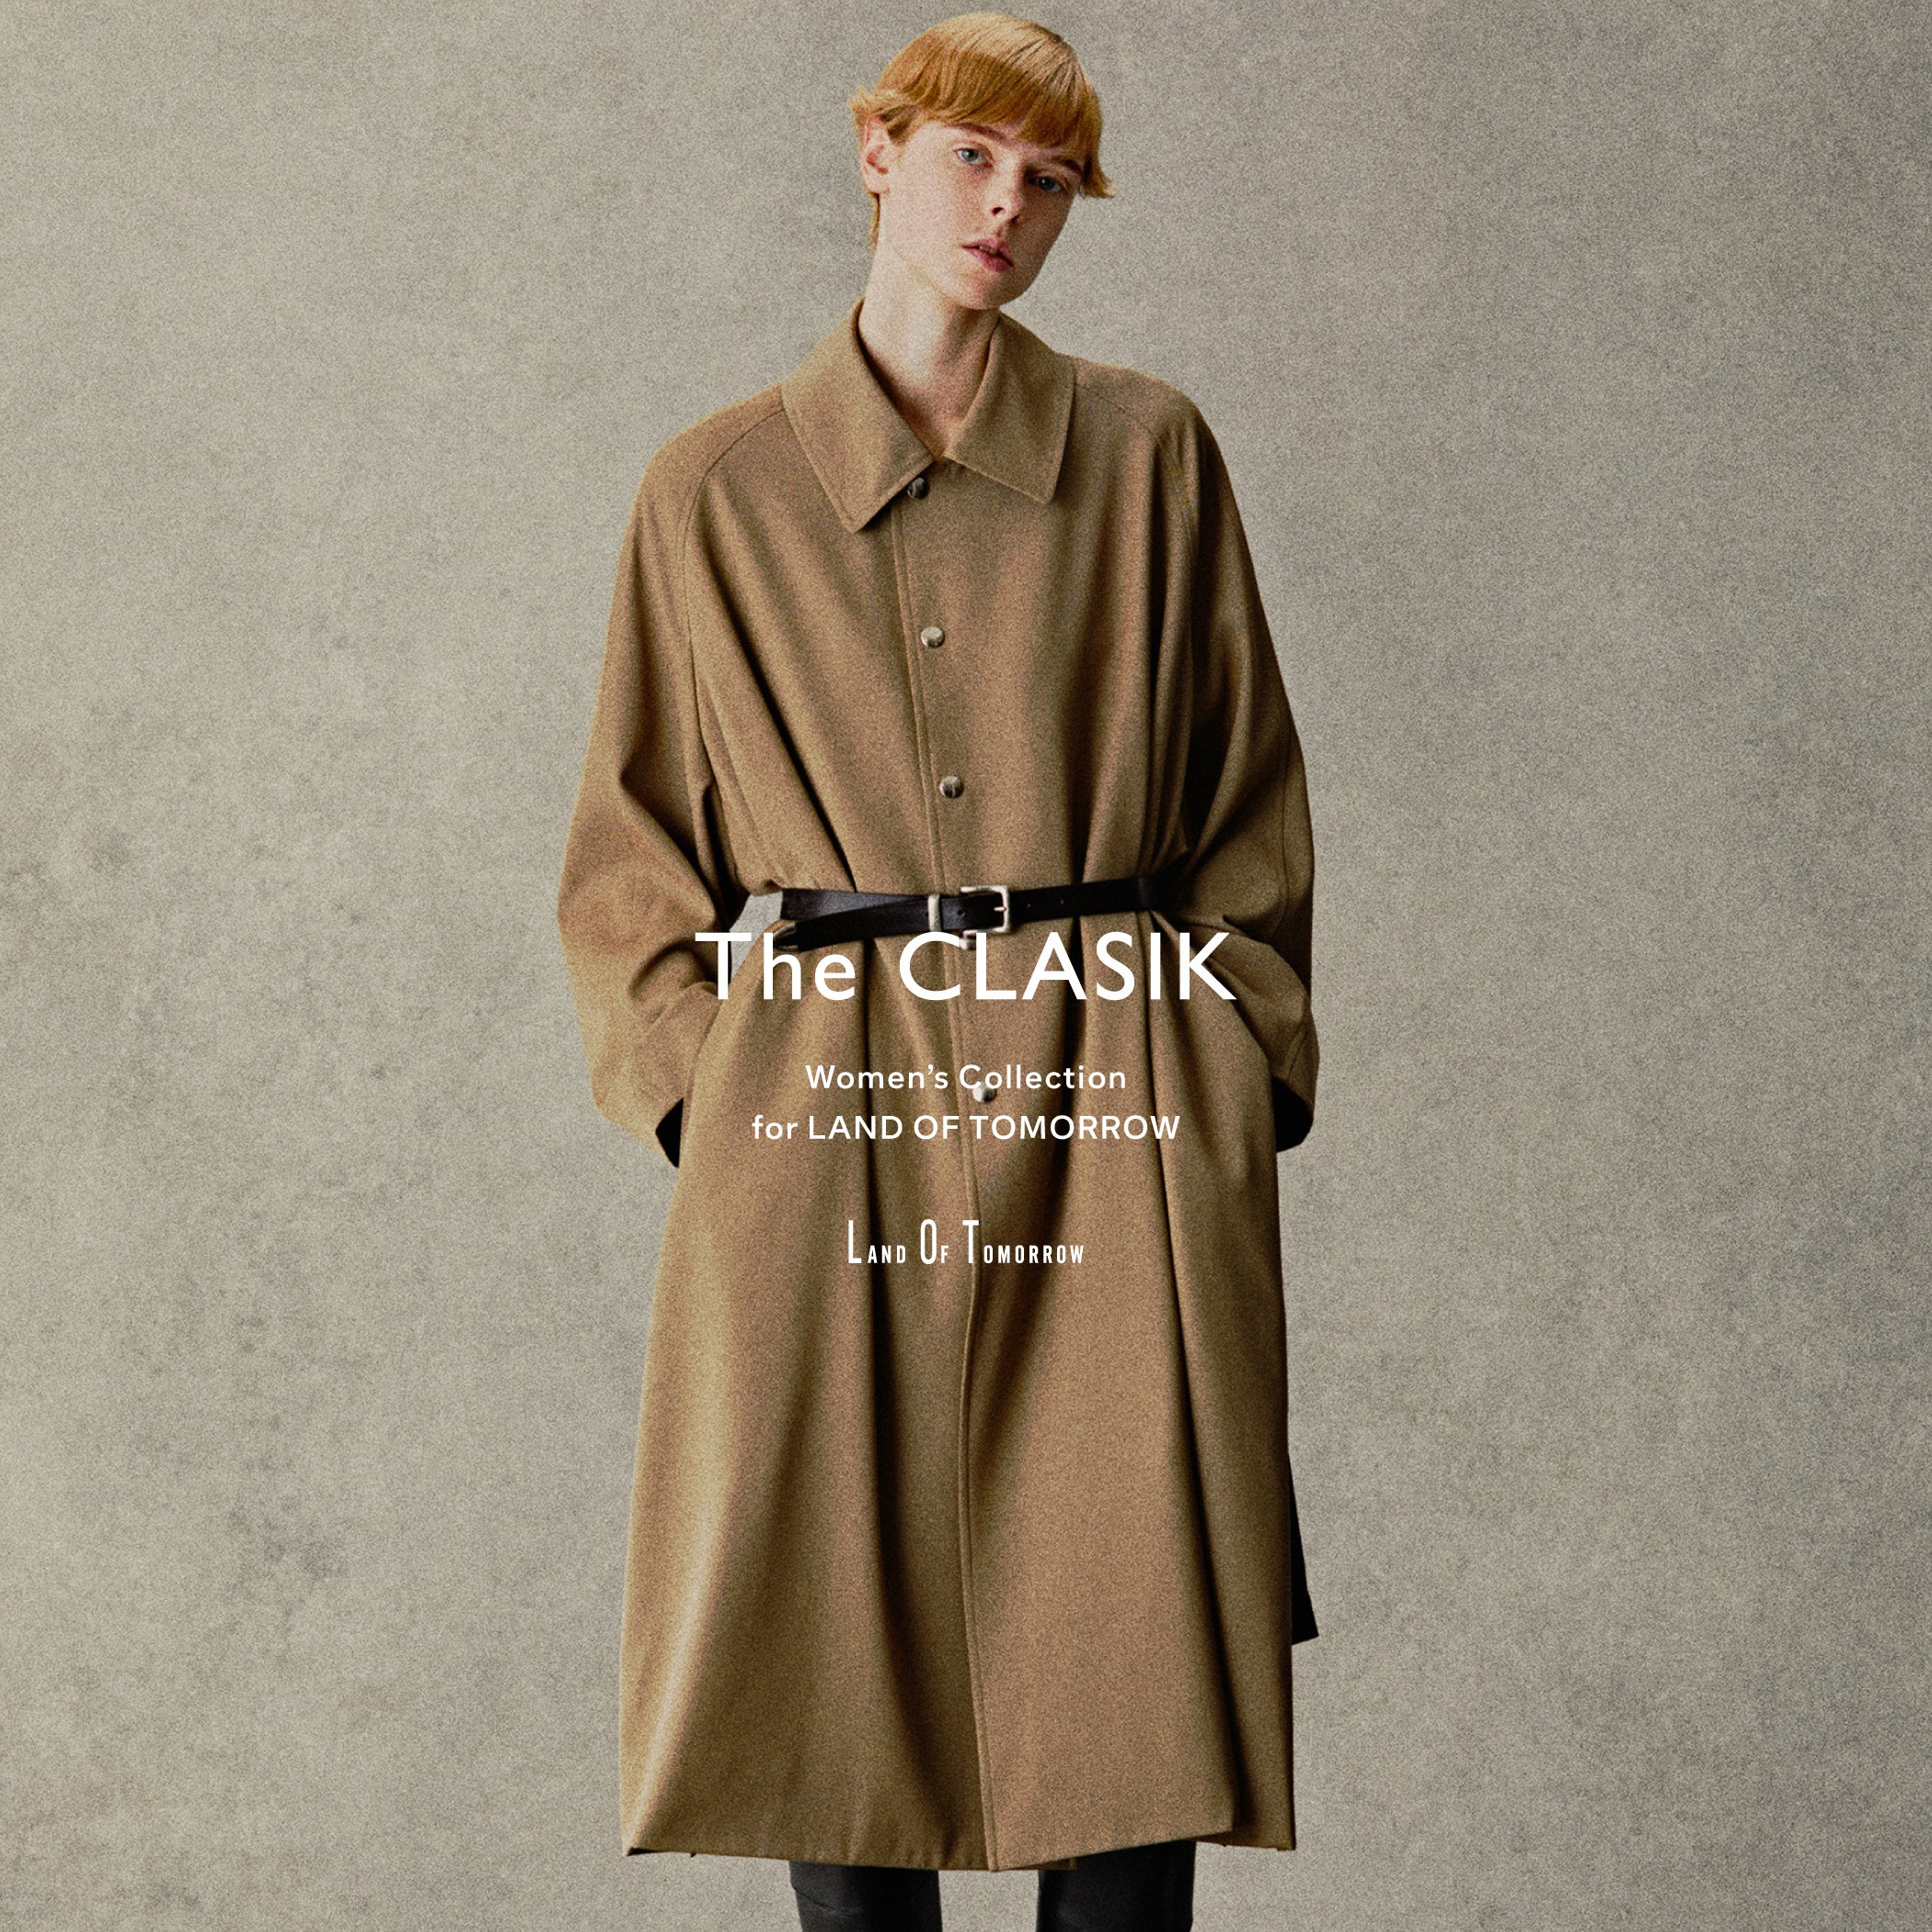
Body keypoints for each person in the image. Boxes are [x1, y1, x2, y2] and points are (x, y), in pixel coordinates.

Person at [557, 15, 1320, 1930]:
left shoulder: (1151, 456)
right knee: (832, 1661)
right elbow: (628, 866)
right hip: (822, 1114)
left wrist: (1236, 1071)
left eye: (1049, 181)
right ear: (878, 152)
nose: (1007, 209)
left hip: (1113, 1101)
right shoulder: (712, 491)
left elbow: (1248, 810)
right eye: (972, 157)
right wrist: (709, 1106)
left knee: (1132, 1662)